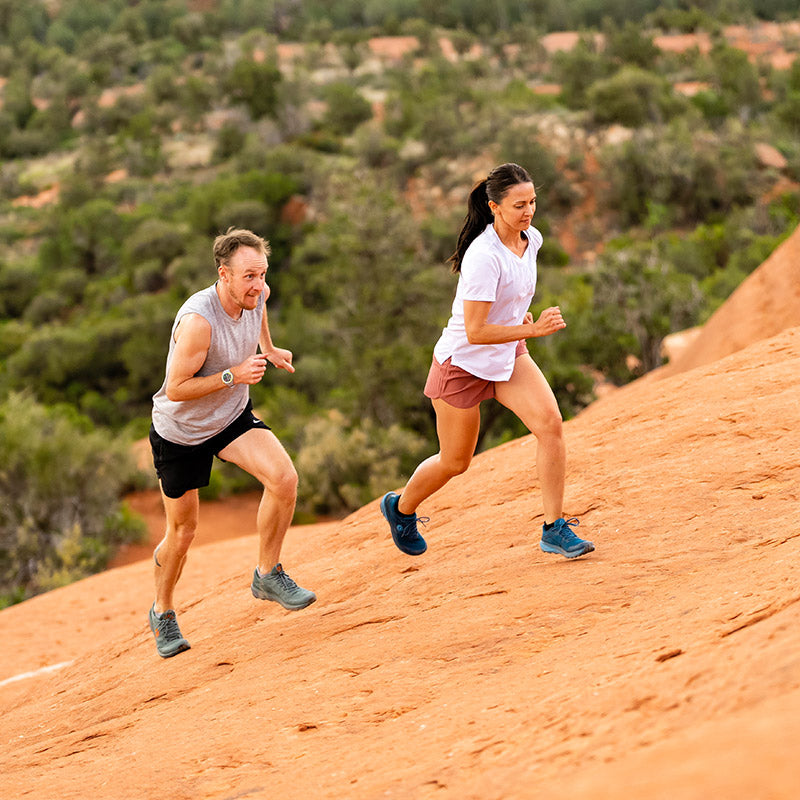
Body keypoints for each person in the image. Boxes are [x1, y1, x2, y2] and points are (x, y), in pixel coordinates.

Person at [380, 163, 594, 561]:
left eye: (532, 201)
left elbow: (513, 294)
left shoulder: (532, 239)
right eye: (518, 205)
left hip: (507, 354)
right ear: (494, 206)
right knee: (455, 462)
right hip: (462, 364)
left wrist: (521, 318)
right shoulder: (483, 256)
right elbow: (476, 331)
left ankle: (554, 528)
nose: (528, 211)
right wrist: (531, 331)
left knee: (551, 425)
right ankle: (401, 507)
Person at [147, 227, 315, 659]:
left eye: (262, 274)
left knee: (284, 479)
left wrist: (270, 348)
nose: (258, 285)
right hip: (180, 432)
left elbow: (258, 311)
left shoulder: (256, 292)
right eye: (247, 277)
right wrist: (232, 375)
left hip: (229, 416)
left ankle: (268, 573)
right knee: (183, 532)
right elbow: (176, 388)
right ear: (224, 274)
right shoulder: (199, 323)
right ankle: (163, 611)